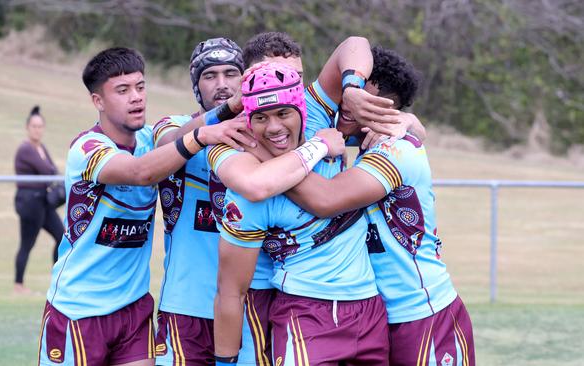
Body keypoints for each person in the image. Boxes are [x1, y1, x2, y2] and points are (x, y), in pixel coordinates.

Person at [37, 47, 241, 366]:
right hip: (78, 309)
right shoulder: (88, 148)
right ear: (98, 101)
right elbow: (140, 172)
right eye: (123, 90)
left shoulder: (150, 138)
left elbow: (176, 136)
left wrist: (230, 107)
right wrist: (201, 136)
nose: (136, 97)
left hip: (134, 310)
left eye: (140, 87)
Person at [284, 46, 476, 365]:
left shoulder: (395, 150)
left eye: (363, 102)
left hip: (424, 313)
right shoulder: (356, 139)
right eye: (351, 97)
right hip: (378, 317)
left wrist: (266, 163)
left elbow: (326, 200)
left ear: (387, 110)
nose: (348, 106)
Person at [213, 52, 391, 366]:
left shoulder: (322, 124)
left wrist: (352, 88)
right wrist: (224, 362)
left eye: (283, 113)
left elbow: (353, 45)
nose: (274, 127)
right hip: (305, 314)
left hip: (369, 309)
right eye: (261, 117)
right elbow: (230, 291)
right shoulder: (247, 195)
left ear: (301, 111)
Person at [151, 38, 264, 366]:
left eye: (231, 74)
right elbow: (166, 144)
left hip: (247, 307)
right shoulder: (175, 127)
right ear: (196, 86)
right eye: (210, 76)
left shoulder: (263, 134)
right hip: (185, 308)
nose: (222, 84)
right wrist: (223, 117)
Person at [13, 105, 64, 295]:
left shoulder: (41, 147)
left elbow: (52, 171)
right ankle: (18, 285)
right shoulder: (25, 149)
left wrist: (53, 174)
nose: (37, 129)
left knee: (62, 237)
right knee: (27, 243)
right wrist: (52, 173)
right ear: (27, 127)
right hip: (30, 203)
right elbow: (47, 171)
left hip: (44, 202)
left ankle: (58, 281)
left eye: (40, 126)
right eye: (34, 126)